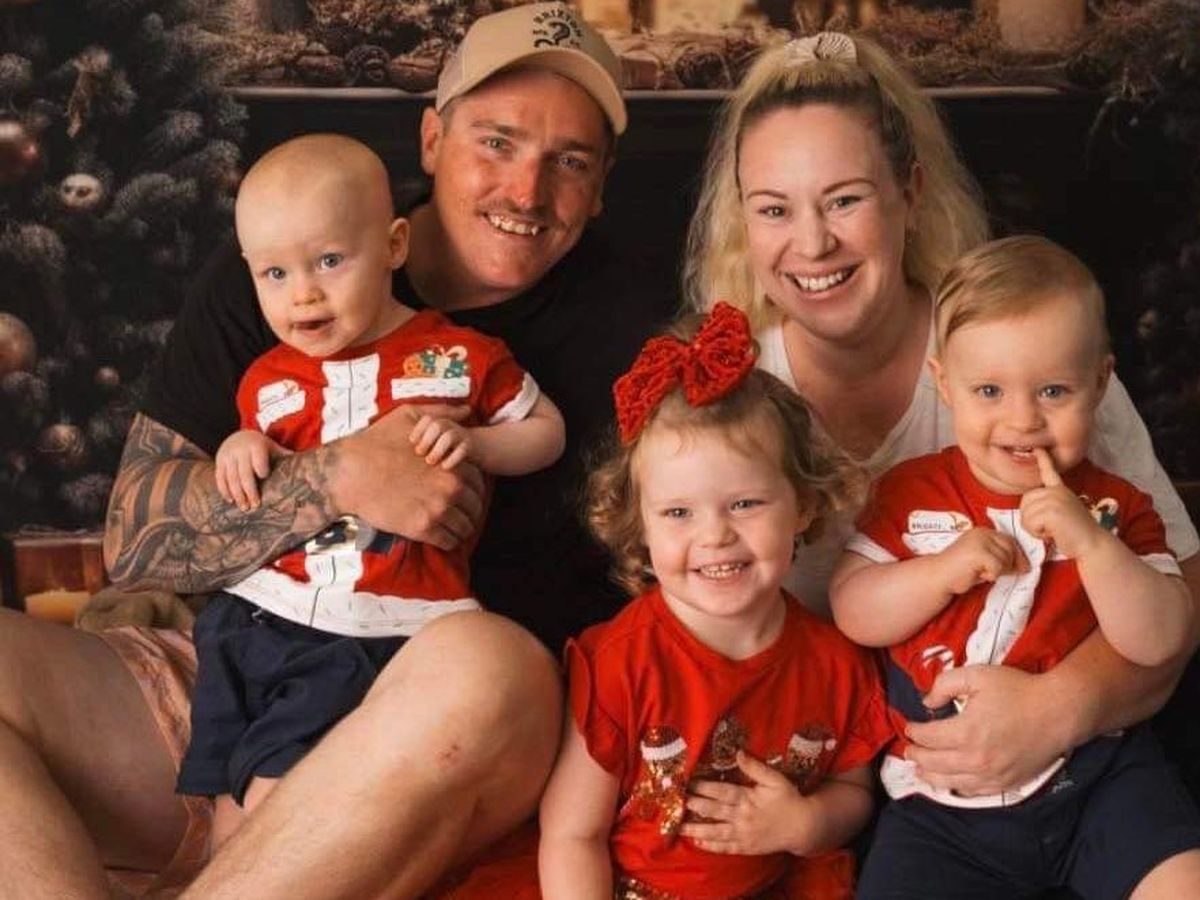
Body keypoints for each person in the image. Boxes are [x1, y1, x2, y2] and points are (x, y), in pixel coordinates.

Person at [0, 4, 673, 898]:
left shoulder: (637, 324)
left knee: (490, 663)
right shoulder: (292, 261)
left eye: (571, 161)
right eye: (497, 142)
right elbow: (134, 539)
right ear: (431, 139)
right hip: (241, 670)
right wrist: (340, 475)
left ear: (603, 184)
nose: (526, 191)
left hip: (441, 722)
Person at [683, 29, 1199, 843]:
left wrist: (1061, 708)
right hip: (834, 780)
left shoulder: (1025, 360)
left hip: (1068, 775)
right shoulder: (726, 390)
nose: (812, 244)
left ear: (910, 191)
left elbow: (1183, 589)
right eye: (774, 209)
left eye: (845, 199)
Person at [180, 132, 566, 845]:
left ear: (393, 246)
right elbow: (263, 474)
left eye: (330, 261)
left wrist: (478, 445)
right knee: (225, 807)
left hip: (381, 622)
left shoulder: (456, 355)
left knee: (279, 798)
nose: (303, 293)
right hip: (259, 615)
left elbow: (546, 430)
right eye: (274, 274)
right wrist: (242, 446)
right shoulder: (267, 378)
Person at [830, 235, 1200, 898]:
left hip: (1102, 781)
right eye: (990, 390)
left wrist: (1094, 548)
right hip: (941, 807)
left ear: (1101, 382)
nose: (1023, 419)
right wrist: (937, 572)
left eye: (1053, 390)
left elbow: (1163, 638)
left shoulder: (1118, 505)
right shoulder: (910, 493)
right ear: (944, 385)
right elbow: (854, 611)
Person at [538, 303, 890, 900]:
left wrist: (806, 824)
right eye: (678, 513)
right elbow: (573, 834)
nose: (715, 536)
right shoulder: (621, 663)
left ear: (803, 505)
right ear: (640, 524)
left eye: (745, 504)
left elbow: (854, 793)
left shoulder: (836, 663)